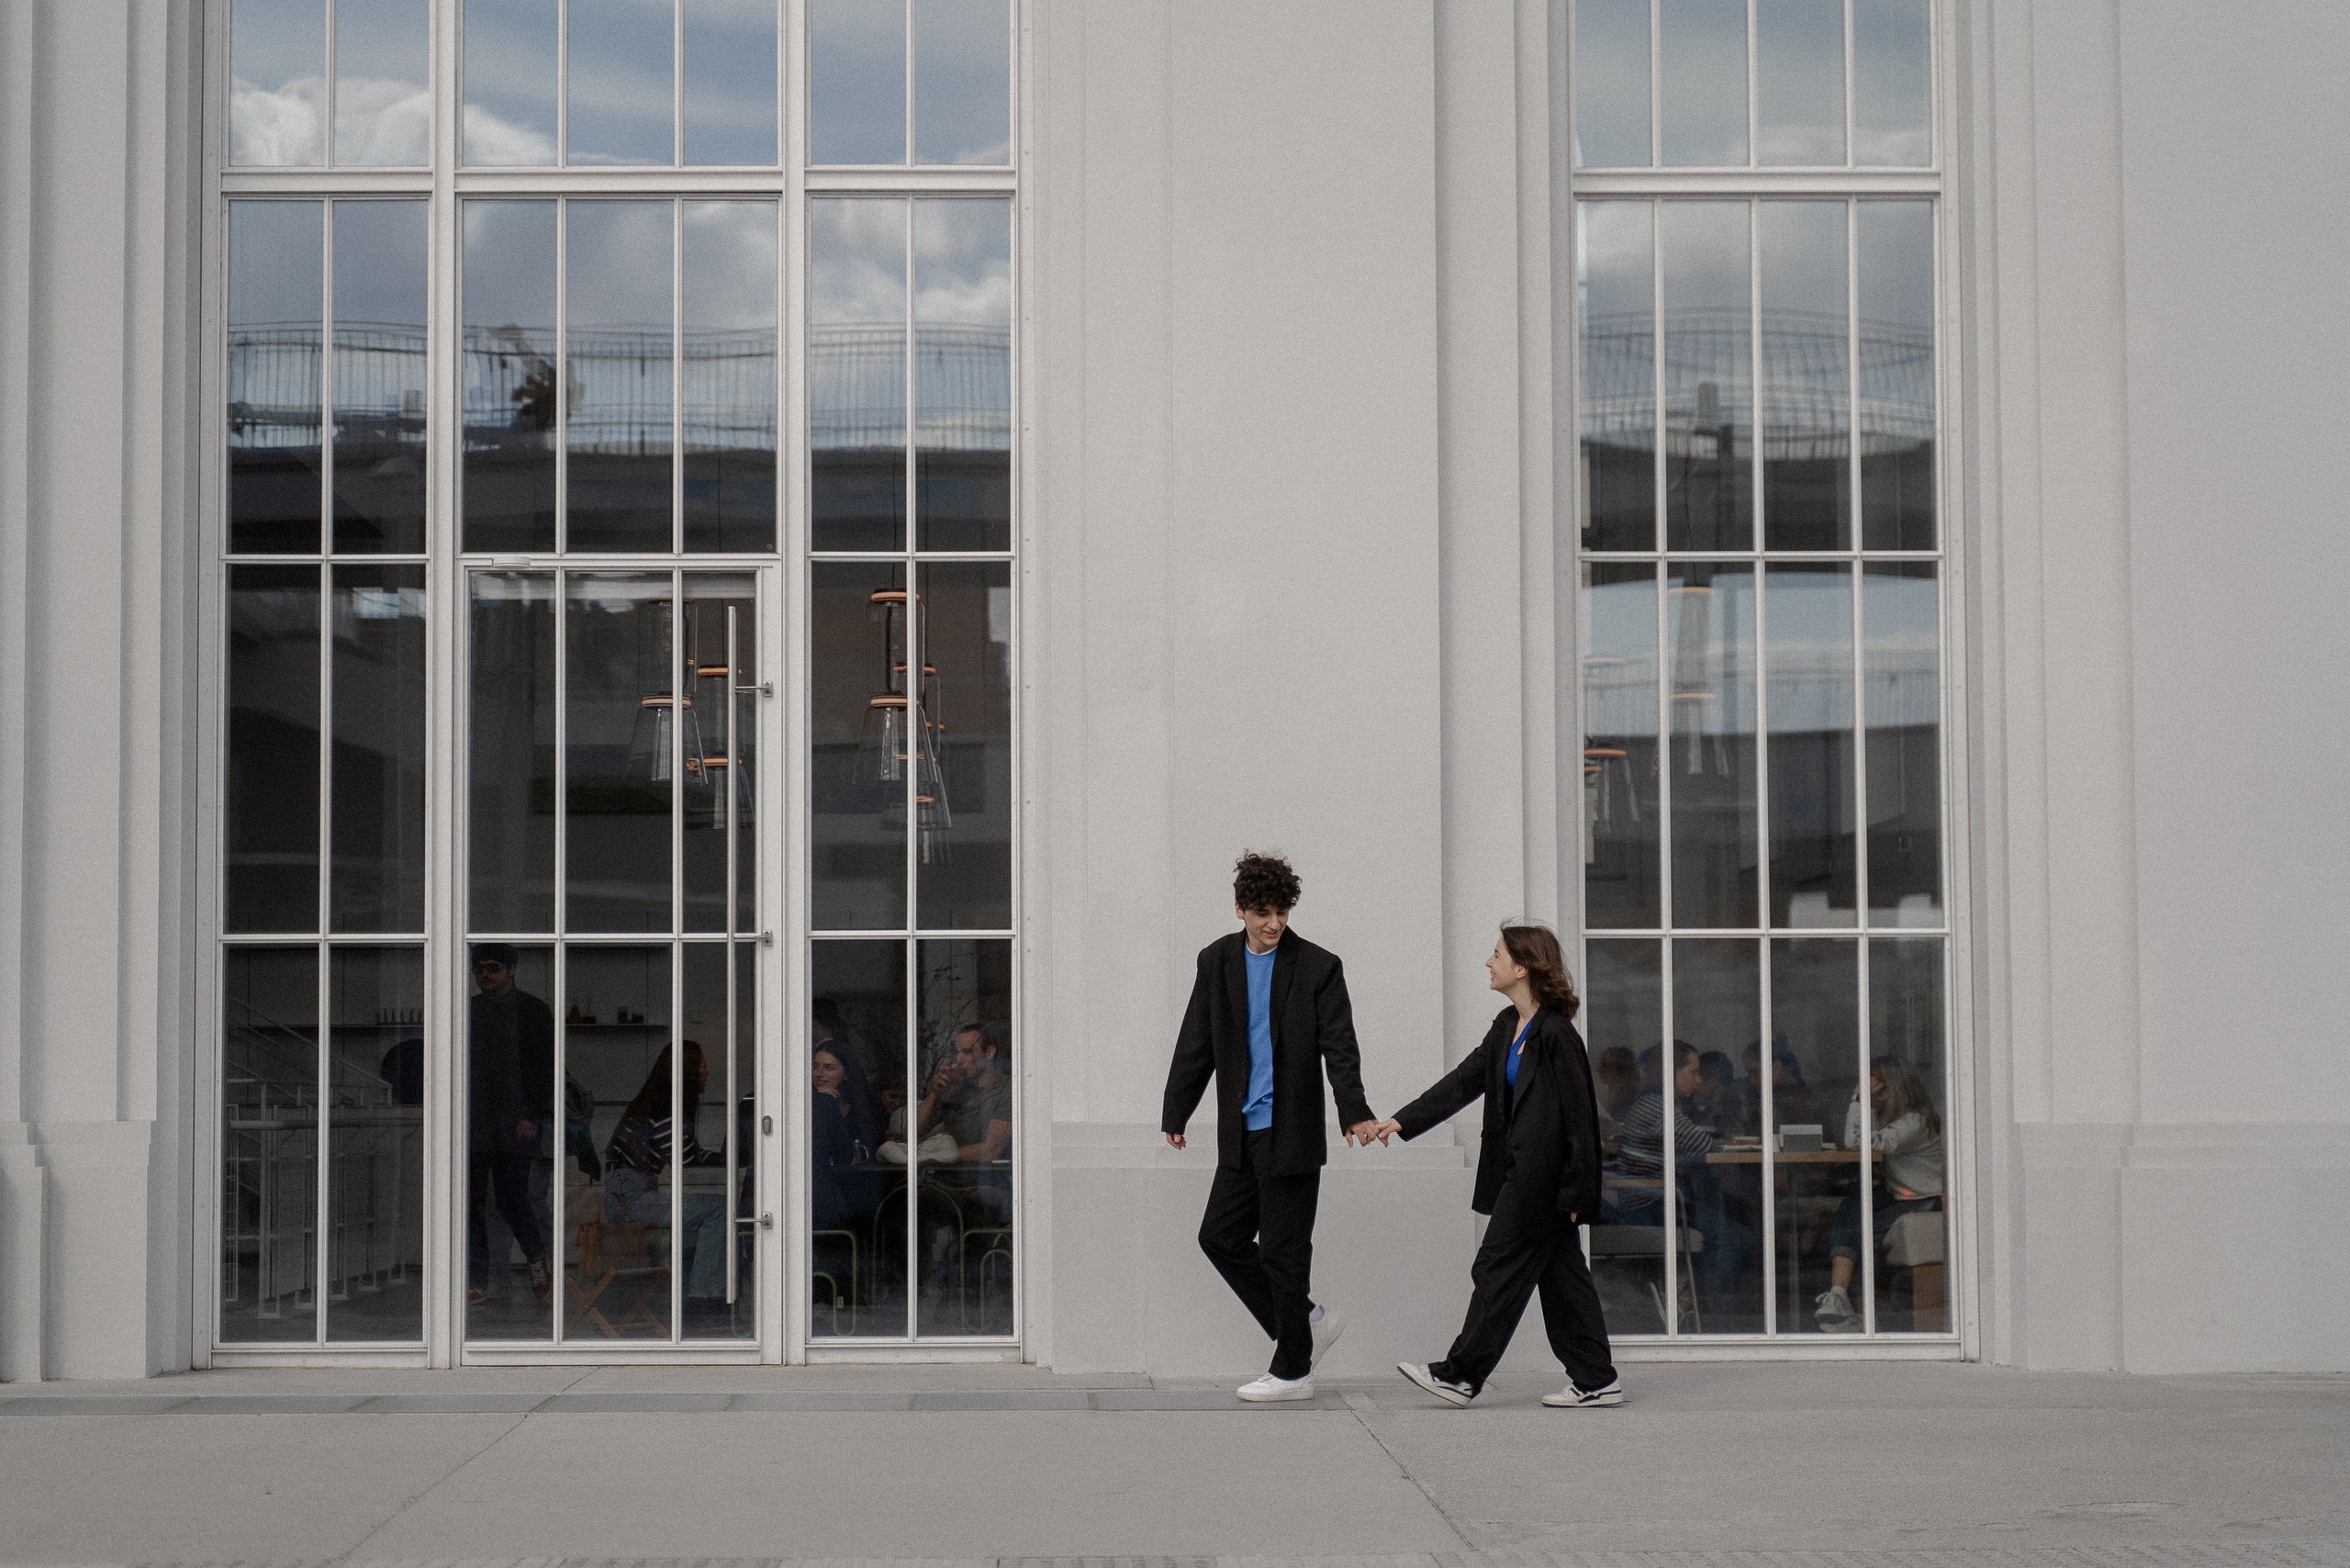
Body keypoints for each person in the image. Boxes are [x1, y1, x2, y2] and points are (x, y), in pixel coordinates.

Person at [1370, 924, 1622, 1410]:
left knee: (1495, 1268)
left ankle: (1461, 1375)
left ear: (1523, 967)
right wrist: (1401, 1120)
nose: (1489, 962)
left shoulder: (1557, 1034)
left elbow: (1581, 1120)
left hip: (1543, 1183)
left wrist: (1577, 1194)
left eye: (1497, 954)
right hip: (1520, 1175)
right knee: (1563, 1281)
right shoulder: (1508, 1026)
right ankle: (1595, 1379)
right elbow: (1464, 1081)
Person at [1161, 851, 1382, 1403]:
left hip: (1292, 1131)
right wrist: (1176, 1110)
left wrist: (1353, 1109)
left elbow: (1340, 1045)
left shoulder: (1318, 966)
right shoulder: (1216, 962)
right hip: (1240, 1131)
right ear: (1239, 910)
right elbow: (1197, 1040)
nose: (1274, 923)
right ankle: (1305, 1321)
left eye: (1281, 911)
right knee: (1220, 1237)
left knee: (1285, 1252)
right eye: (1262, 912)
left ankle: (1292, 1372)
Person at [1814, 1055, 1945, 1331]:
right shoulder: (1894, 1118)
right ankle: (1839, 1297)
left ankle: (1858, 1310)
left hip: (1926, 1201)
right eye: (1875, 1090)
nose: (1879, 1096)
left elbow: (1857, 1142)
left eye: (1882, 1089)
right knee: (1853, 1207)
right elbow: (1864, 1140)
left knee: (1863, 1230)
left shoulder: (1916, 1122)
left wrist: (1858, 1101)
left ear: (1899, 1088)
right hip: (1905, 1197)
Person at [602, 1042, 733, 1309]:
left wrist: (725, 1158)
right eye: (703, 1066)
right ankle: (706, 1300)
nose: (707, 1072)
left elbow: (690, 1153)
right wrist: (732, 1157)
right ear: (689, 1072)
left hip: (628, 1194)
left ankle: (709, 1291)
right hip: (632, 1199)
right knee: (721, 1209)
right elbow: (686, 1159)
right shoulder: (665, 1108)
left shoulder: (657, 1102)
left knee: (718, 1208)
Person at [467, 943, 554, 1306]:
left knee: (511, 1199)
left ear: (512, 969)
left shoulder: (533, 1010)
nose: (484, 974)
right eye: (479, 969)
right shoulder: (468, 1009)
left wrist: (532, 1116)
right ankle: (477, 1281)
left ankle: (536, 1259)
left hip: (517, 1119)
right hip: (475, 1119)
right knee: (471, 1203)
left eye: (492, 968)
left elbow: (547, 1068)